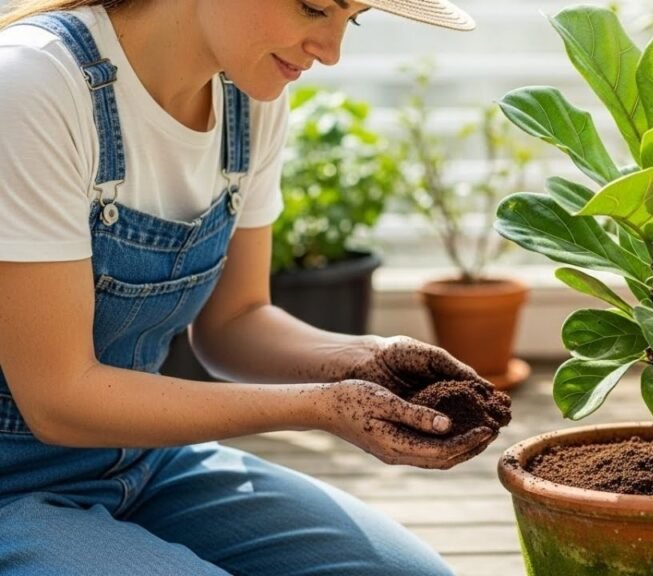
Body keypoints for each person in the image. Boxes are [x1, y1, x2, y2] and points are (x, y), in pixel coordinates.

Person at [0, 1, 498, 574]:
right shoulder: (35, 83)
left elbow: (235, 322)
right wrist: (321, 409)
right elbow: (59, 401)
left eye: (352, 18)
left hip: (143, 463)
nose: (332, 52)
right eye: (314, 6)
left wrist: (367, 361)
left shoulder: (245, 97)